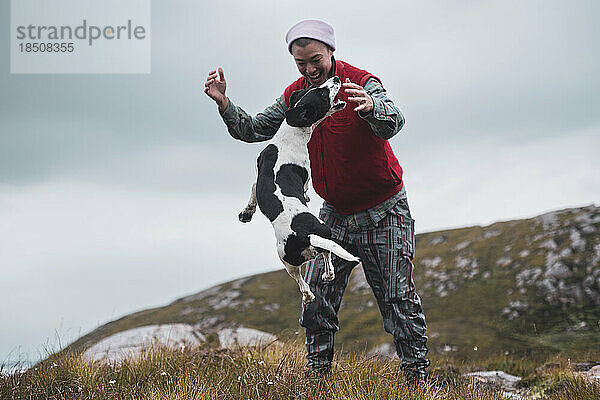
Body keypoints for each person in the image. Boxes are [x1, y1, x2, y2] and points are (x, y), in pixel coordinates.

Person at [204, 19, 429, 382]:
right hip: (333, 214)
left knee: (398, 299)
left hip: (385, 211)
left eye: (316, 60)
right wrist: (225, 103)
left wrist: (372, 106)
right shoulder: (295, 95)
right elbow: (256, 129)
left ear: (331, 52)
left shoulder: (363, 82)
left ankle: (418, 380)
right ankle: (317, 379)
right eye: (300, 63)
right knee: (317, 302)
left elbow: (394, 121)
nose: (309, 70)